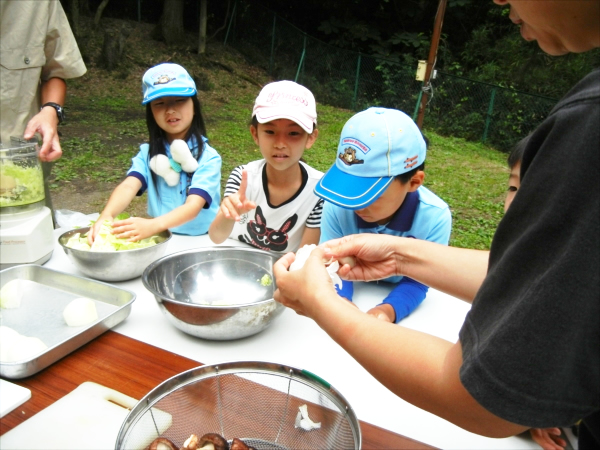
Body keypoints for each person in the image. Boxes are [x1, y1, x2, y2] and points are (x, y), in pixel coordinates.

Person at [272, 0, 599, 448]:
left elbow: (484, 395)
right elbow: (548, 280)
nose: (499, 1)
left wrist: (328, 307)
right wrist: (399, 255)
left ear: (415, 181)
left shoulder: (590, 127)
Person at [314, 107, 451, 323]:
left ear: (413, 182)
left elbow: (418, 281)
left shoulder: (434, 218)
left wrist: (386, 312)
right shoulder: (338, 206)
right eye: (349, 190)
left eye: (371, 196)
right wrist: (340, 304)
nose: (356, 205)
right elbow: (333, 266)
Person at [89, 63, 221, 242]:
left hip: (202, 240)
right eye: (159, 103)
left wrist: (151, 225)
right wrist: (106, 215)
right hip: (161, 238)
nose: (170, 110)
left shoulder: (208, 157)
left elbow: (194, 206)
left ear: (194, 105)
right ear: (151, 112)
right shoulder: (147, 154)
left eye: (180, 100)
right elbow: (129, 185)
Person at [208, 80, 323, 253]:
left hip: (282, 271)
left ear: (311, 138)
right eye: (270, 131)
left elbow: (304, 259)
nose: (280, 143)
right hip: (233, 260)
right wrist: (229, 214)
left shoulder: (319, 191)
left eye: (293, 133)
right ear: (255, 134)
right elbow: (216, 237)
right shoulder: (243, 177)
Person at [0, 0, 87, 224]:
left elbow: (55, 71)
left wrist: (51, 111)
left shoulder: (39, 3)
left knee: (33, 251)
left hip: (22, 165)